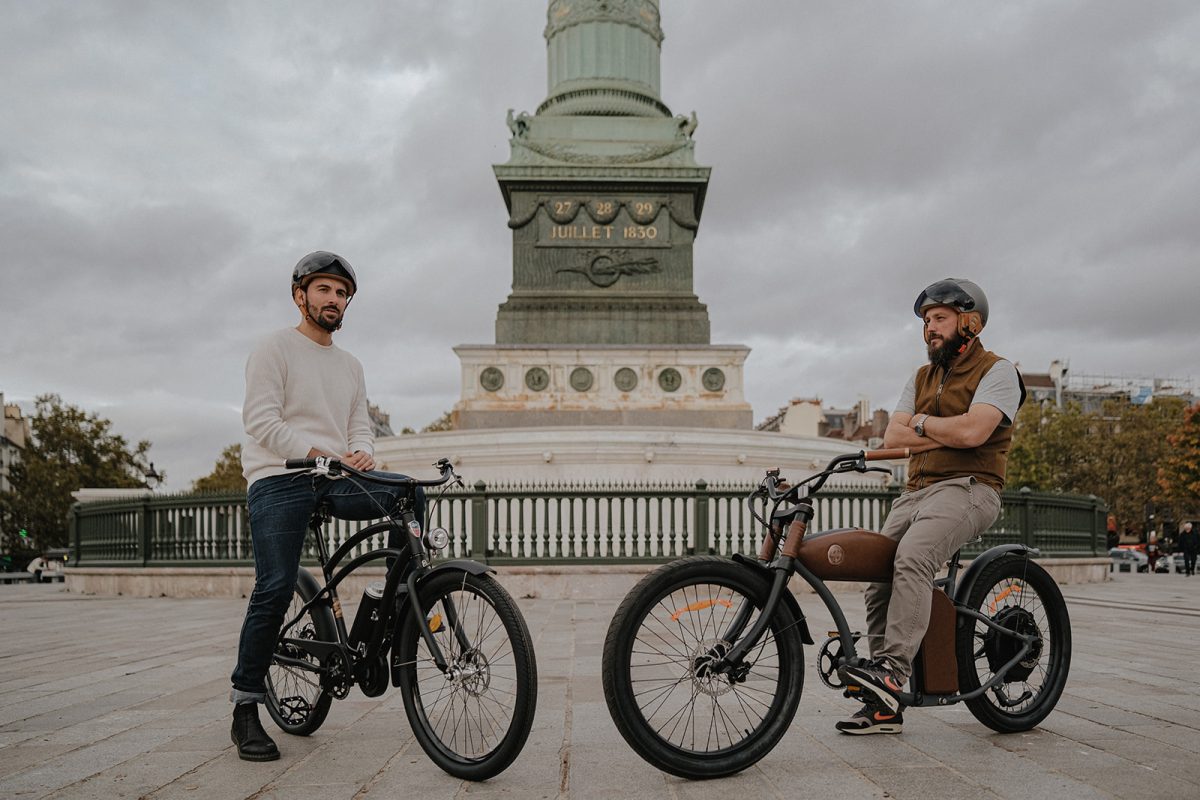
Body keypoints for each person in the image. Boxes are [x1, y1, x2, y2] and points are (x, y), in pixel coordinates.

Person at [229, 251, 425, 761]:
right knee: (274, 587)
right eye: (324, 290)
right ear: (301, 295)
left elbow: (359, 424)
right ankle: (246, 706)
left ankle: (399, 607)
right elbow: (261, 421)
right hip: (281, 476)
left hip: (337, 475)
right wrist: (317, 453)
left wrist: (363, 451)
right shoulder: (275, 348)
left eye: (341, 293)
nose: (333, 299)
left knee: (409, 492)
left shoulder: (351, 365)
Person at [836, 278, 1024, 735]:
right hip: (916, 491)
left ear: (970, 322)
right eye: (925, 321)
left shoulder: (998, 372)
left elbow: (973, 435)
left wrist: (919, 423)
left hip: (970, 486)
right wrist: (937, 426)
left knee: (914, 559)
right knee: (878, 572)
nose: (929, 329)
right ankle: (883, 703)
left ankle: (892, 672)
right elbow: (892, 437)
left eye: (939, 318)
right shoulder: (921, 377)